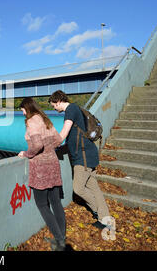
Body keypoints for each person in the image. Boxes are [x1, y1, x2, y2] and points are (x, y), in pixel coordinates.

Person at [48, 90, 110, 229]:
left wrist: (49, 146)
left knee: (78, 189)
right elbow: (72, 135)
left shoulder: (71, 110)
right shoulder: (75, 109)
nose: (54, 108)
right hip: (88, 154)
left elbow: (64, 132)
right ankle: (105, 218)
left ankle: (100, 213)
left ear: (58, 101)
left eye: (54, 105)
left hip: (83, 157)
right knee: (94, 188)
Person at [17, 97, 66, 251]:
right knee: (56, 202)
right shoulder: (45, 119)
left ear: (27, 108)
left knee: (42, 205)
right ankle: (62, 239)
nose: (23, 113)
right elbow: (58, 140)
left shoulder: (32, 121)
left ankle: (59, 240)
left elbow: (37, 145)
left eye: (23, 110)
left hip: (41, 169)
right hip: (53, 164)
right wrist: (48, 149)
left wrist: (26, 153)